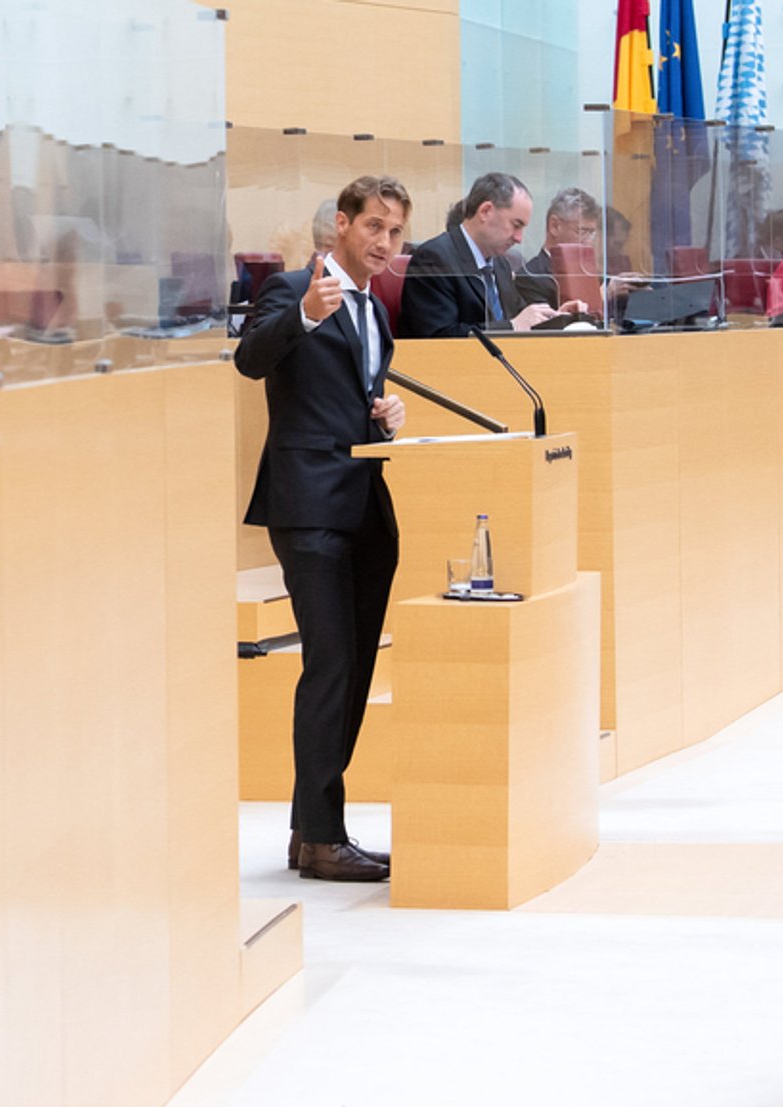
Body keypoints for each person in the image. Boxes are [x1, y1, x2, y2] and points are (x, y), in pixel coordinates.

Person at [234, 174, 412, 883]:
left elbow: (343, 390)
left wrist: (383, 413)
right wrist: (306, 312)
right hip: (309, 507)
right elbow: (252, 361)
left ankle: (310, 830)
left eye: (396, 233)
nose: (386, 244)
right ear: (341, 225)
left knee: (354, 667)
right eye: (375, 227)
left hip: (364, 505)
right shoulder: (290, 289)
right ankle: (323, 837)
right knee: (330, 667)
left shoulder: (374, 310)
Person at [399, 173, 580, 337]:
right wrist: (511, 327)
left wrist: (554, 318)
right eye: (516, 225)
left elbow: (521, 317)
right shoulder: (434, 258)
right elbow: (439, 336)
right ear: (485, 211)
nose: (519, 238)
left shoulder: (500, 263)